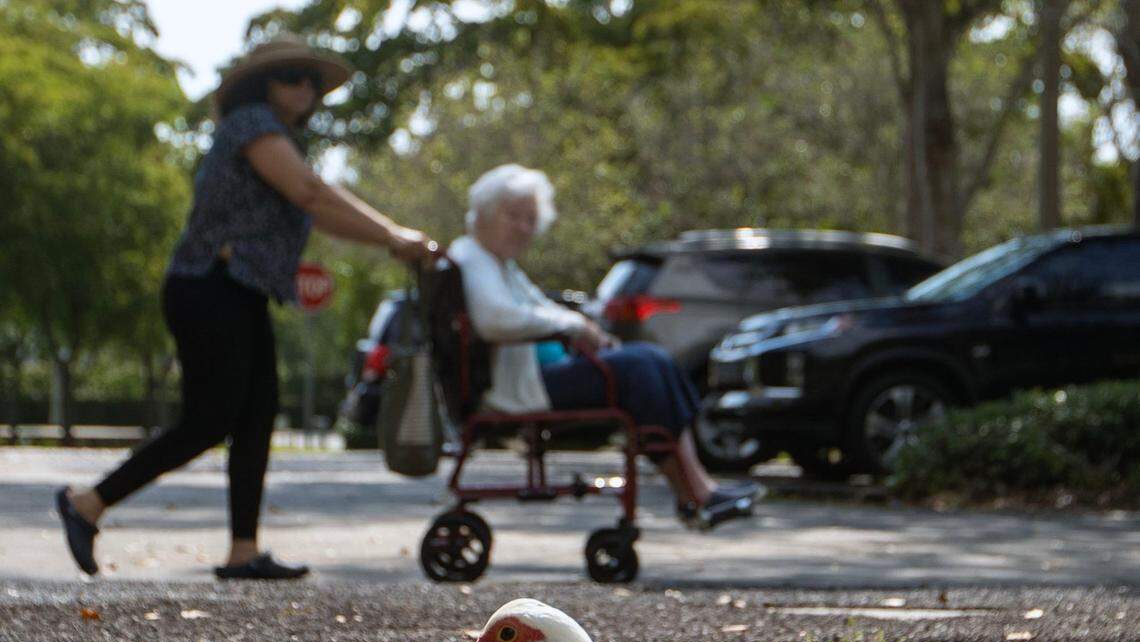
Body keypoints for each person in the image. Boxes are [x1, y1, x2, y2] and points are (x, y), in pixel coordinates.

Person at [56, 37, 437, 580]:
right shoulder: (250, 124)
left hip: (241, 290)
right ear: (264, 84)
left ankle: (243, 550)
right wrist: (395, 236)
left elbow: (319, 209)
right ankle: (87, 503)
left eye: (310, 79)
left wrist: (388, 239)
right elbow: (310, 193)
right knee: (210, 419)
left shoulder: (277, 135)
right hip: (208, 285)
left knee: (257, 417)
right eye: (290, 77)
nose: (304, 89)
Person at [446, 164, 758, 528]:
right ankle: (696, 495)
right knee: (642, 367)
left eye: (530, 219)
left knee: (654, 361)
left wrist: (585, 329)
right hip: (517, 389)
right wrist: (576, 326)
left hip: (533, 377)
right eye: (513, 216)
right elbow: (495, 319)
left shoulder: (498, 264)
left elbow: (539, 307)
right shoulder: (473, 259)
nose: (523, 228)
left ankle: (696, 491)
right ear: (483, 213)